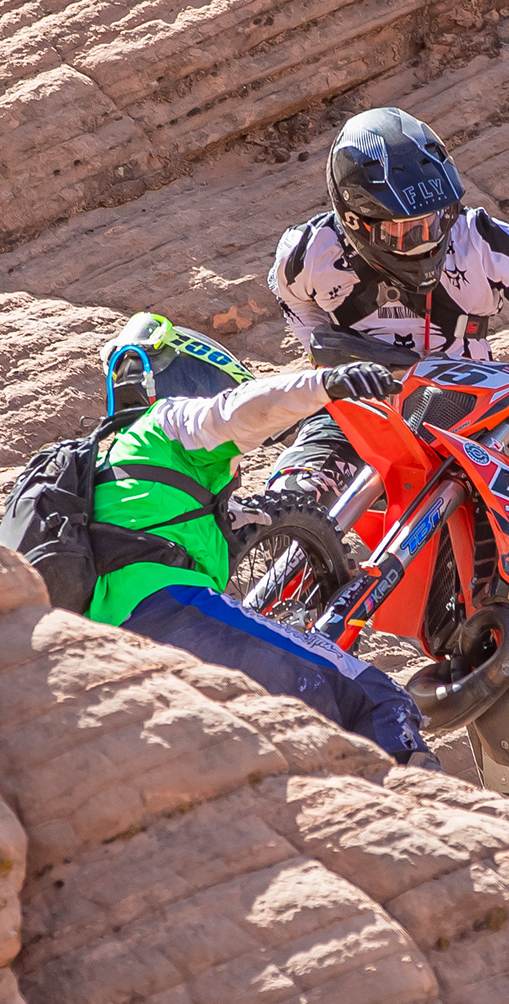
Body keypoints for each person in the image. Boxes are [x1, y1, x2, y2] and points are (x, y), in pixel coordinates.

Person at [255, 106, 509, 514]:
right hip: (361, 407)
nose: (427, 240)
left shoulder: (481, 241)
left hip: (469, 419)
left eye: (436, 220)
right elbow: (292, 297)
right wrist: (324, 351)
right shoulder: (311, 251)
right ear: (356, 220)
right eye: (405, 231)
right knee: (292, 495)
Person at [91, 315, 429, 763]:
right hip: (168, 611)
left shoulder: (106, 467)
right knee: (375, 698)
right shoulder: (166, 423)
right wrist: (326, 384)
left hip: (105, 648)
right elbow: (238, 410)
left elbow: (223, 527)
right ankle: (425, 800)